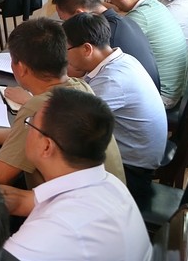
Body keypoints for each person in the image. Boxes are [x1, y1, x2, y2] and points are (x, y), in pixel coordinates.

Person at [0, 18, 126, 212]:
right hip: (108, 203)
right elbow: (26, 137)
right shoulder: (79, 87)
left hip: (68, 214)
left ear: (21, 68)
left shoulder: (39, 106)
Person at [3, 88, 150, 261]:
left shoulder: (64, 226)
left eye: (30, 124)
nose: (27, 129)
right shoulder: (105, 184)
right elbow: (26, 201)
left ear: (46, 146)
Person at [62, 13, 166, 208]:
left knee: (53, 153)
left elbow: (69, 120)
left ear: (87, 49)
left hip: (132, 171)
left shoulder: (112, 80)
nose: (63, 56)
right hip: (138, 156)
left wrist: (31, 99)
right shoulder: (121, 59)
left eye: (65, 49)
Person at [51, 0, 160, 89]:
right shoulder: (123, 20)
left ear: (80, 14)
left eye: (64, 20)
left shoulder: (104, 34)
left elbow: (75, 71)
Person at [105, 0, 187, 108]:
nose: (110, 1)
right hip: (173, 89)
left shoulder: (140, 16)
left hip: (161, 95)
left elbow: (109, 51)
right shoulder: (153, 5)